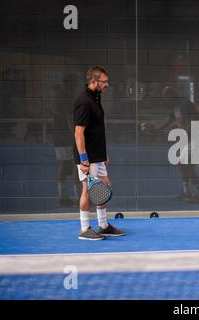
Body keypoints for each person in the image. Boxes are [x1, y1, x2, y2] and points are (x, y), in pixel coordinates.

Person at [73, 66, 125, 240]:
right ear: (94, 81)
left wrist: (103, 154)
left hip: (97, 155)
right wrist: (84, 159)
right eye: (104, 81)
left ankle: (103, 225)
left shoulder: (95, 98)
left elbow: (96, 130)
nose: (107, 85)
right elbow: (78, 133)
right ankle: (85, 228)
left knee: (104, 186)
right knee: (87, 190)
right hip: (87, 157)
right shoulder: (84, 101)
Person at [157, 85, 199, 203]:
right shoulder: (175, 107)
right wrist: (155, 129)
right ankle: (186, 192)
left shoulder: (185, 104)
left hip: (193, 137)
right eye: (164, 97)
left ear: (172, 95)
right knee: (181, 164)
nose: (165, 99)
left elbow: (187, 122)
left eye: (166, 96)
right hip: (186, 139)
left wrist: (181, 136)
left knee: (188, 165)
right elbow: (168, 121)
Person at [52, 73, 81, 207]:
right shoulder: (66, 97)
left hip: (58, 135)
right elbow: (69, 118)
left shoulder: (58, 96)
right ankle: (78, 198)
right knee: (76, 164)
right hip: (66, 135)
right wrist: (76, 134)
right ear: (70, 83)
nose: (75, 86)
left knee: (64, 164)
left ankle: (62, 197)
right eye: (74, 82)